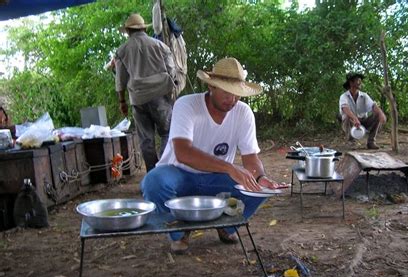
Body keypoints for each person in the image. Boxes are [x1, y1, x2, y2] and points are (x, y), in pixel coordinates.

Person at [141, 57, 282, 253]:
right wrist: (229, 167)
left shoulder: (243, 113)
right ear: (211, 87)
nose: (231, 100)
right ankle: (179, 232)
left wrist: (261, 177)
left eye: (236, 95)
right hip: (179, 174)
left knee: (260, 190)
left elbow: (251, 159)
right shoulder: (186, 105)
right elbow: (183, 153)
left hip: (216, 180)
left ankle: (227, 227)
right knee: (153, 182)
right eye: (225, 92)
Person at [115, 13, 177, 172]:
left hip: (138, 99)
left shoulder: (122, 51)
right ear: (143, 28)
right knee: (167, 132)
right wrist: (172, 87)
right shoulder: (160, 46)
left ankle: (152, 173)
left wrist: (122, 101)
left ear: (128, 31)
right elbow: (172, 71)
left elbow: (120, 80)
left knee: (146, 139)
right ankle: (163, 170)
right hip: (160, 96)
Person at [338, 73, 386, 149]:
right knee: (346, 116)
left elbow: (373, 106)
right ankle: (351, 142)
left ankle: (371, 142)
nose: (360, 82)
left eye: (360, 80)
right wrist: (355, 118)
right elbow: (345, 108)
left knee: (377, 114)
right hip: (351, 122)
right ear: (351, 83)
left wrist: (381, 113)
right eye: (358, 80)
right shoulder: (344, 96)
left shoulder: (364, 96)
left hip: (363, 121)